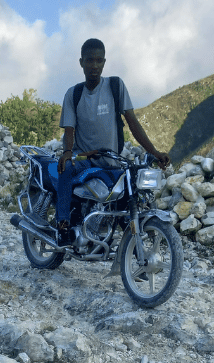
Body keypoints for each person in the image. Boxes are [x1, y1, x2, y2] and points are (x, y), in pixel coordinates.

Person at [56, 38, 170, 246]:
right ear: (81, 62)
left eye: (99, 61)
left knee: (128, 199)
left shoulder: (115, 86)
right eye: (90, 61)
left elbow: (133, 123)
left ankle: (133, 249)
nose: (94, 66)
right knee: (66, 167)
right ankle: (62, 225)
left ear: (104, 62)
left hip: (113, 160)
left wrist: (154, 151)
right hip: (84, 157)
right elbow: (69, 130)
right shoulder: (73, 94)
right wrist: (67, 151)